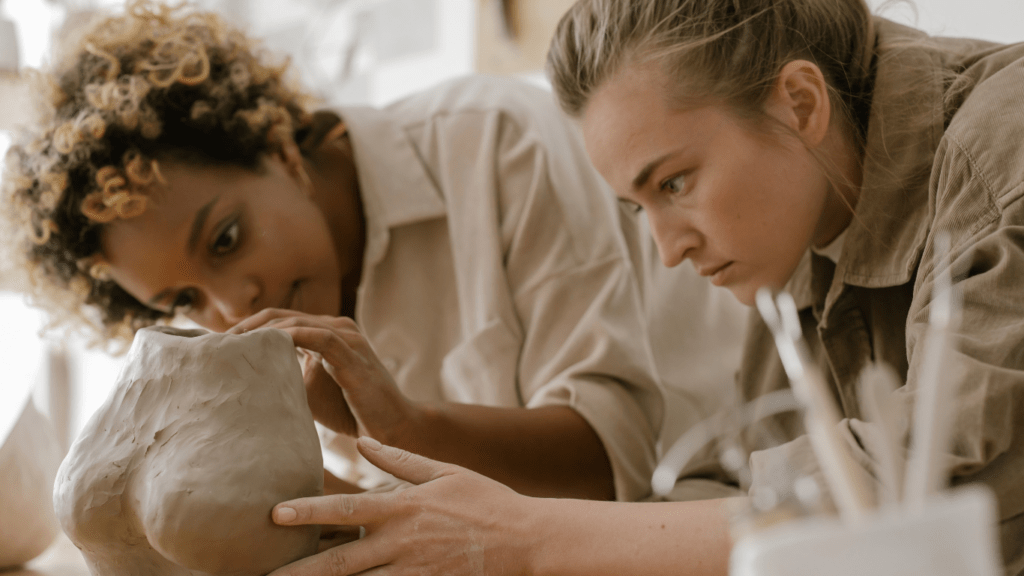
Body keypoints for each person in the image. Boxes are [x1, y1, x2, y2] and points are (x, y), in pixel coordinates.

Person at [252, 0, 1024, 575]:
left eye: (675, 182)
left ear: (801, 102)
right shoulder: (800, 230)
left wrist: (531, 539)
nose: (666, 249)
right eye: (637, 207)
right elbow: (728, 487)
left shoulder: (1005, 146)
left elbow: (950, 483)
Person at [1, 0, 748, 518]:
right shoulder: (288, 344)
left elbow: (608, 467)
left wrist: (395, 427)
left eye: (225, 239)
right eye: (185, 301)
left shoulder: (492, 143)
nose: (234, 308)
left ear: (281, 151)